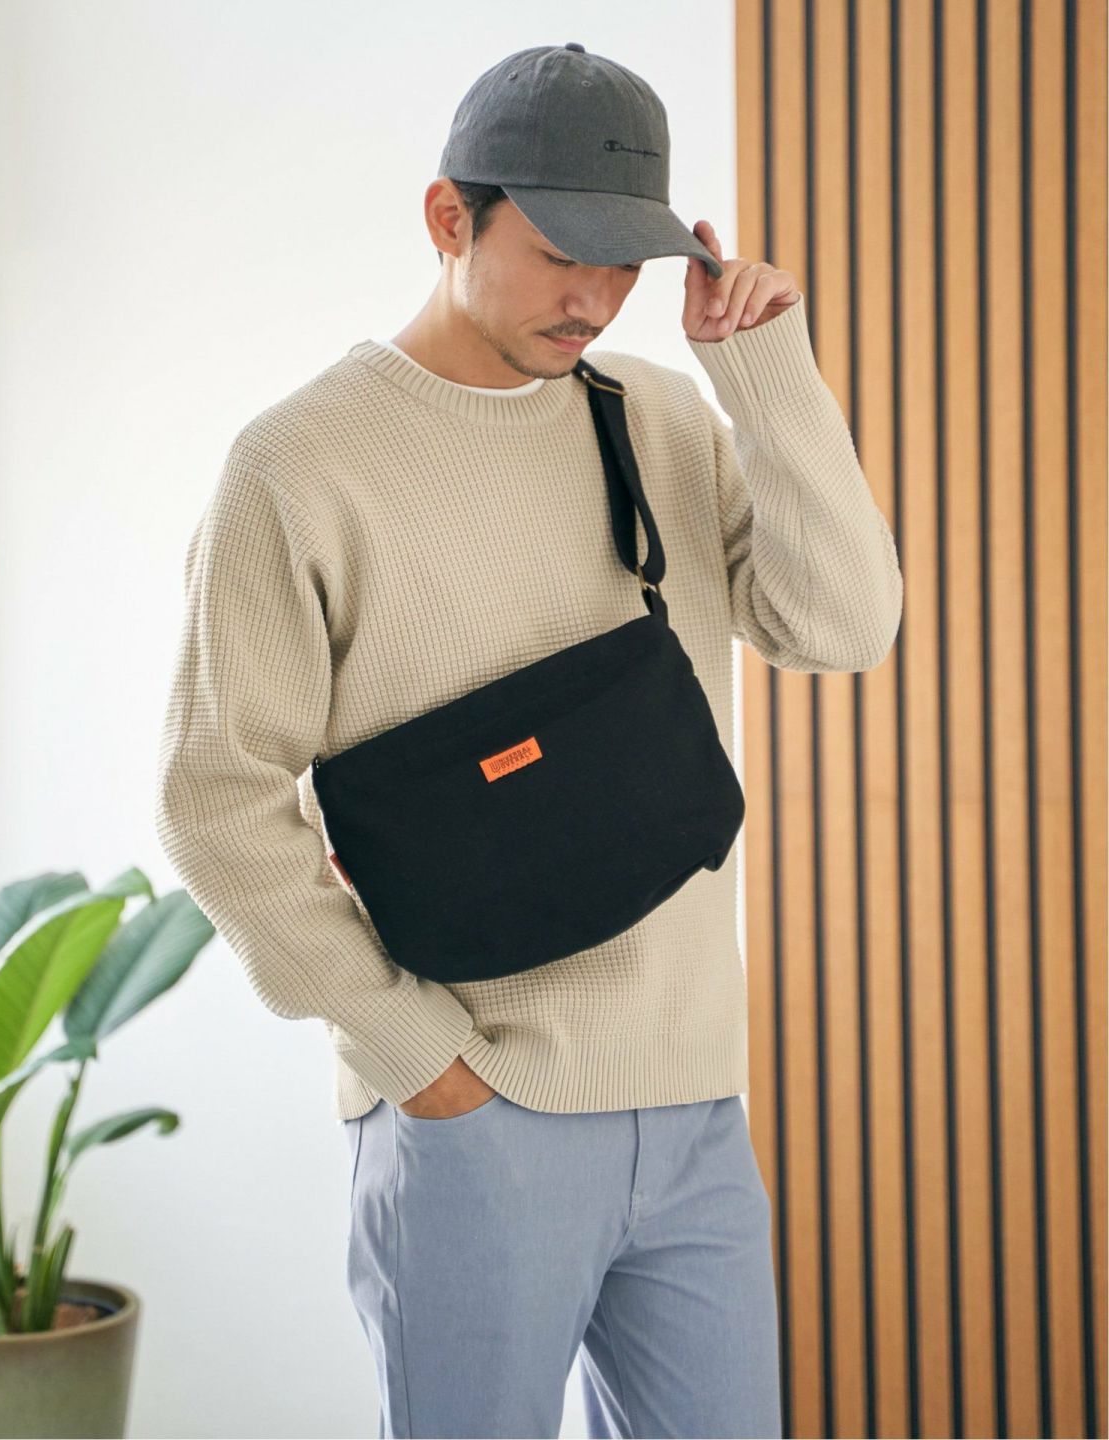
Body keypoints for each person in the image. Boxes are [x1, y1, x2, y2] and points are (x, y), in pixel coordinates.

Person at [155, 40, 903, 1440]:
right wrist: (426, 1068)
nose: (597, 299)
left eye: (625, 263)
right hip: (474, 1117)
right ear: (451, 218)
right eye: (563, 254)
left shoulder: (659, 415)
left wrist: (765, 373)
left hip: (696, 1107)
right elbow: (216, 799)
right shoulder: (299, 465)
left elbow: (845, 625)